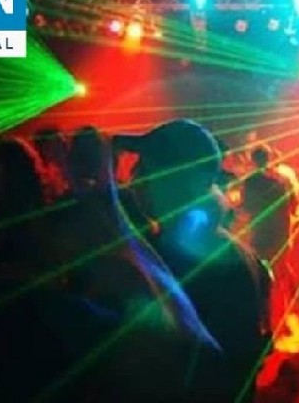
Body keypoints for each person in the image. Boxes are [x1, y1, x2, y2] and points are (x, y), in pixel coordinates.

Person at [116, 119, 271, 401]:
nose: (134, 179)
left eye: (145, 168)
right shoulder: (229, 247)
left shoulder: (181, 259)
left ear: (176, 180)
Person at [242, 146, 293, 263]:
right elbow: (286, 206)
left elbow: (247, 206)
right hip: (277, 228)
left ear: (253, 160)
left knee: (261, 261)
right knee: (278, 262)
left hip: (260, 228)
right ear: (268, 158)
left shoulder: (250, 181)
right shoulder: (280, 178)